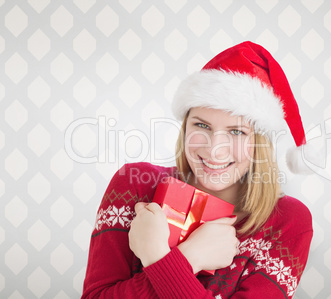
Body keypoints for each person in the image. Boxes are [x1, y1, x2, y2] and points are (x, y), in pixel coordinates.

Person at [82, 41, 314, 298]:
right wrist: (190, 258)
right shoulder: (134, 186)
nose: (215, 149)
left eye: (236, 131)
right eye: (202, 126)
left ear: (259, 144)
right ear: (185, 128)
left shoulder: (288, 222)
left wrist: (156, 257)